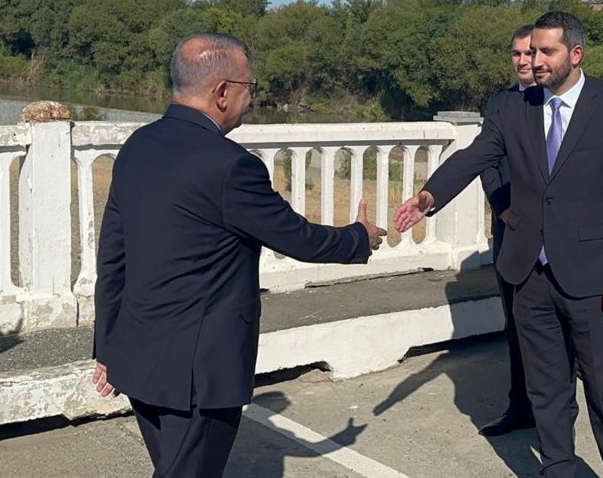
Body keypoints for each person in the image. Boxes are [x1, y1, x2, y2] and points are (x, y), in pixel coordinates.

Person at [92, 33, 386, 478]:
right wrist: (359, 237)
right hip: (198, 373)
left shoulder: (138, 146)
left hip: (140, 358)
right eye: (251, 87)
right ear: (222, 92)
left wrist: (108, 347)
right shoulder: (231, 165)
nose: (253, 97)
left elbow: (113, 257)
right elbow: (298, 238)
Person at [394, 11, 603, 478]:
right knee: (547, 391)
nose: (536, 60)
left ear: (575, 54)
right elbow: (474, 157)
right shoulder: (515, 109)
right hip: (528, 275)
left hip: (592, 281)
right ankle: (558, 469)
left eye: (546, 51)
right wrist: (429, 196)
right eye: (532, 51)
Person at [477, 24, 537, 437]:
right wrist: (501, 208)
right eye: (515, 54)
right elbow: (486, 160)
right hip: (509, 227)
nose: (522, 61)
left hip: (551, 233)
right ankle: (520, 407)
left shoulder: (557, 103)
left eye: (529, 53)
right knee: (514, 321)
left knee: (555, 324)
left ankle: (557, 408)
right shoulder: (499, 103)